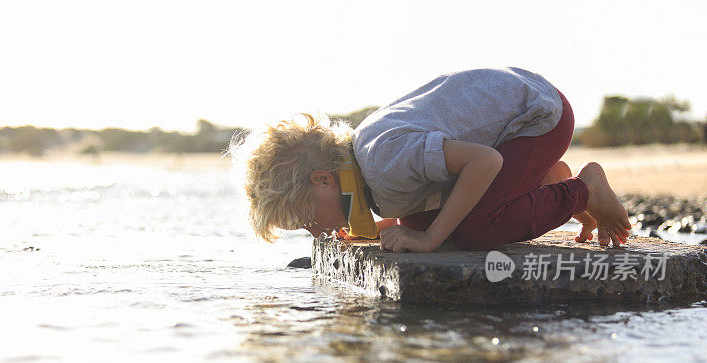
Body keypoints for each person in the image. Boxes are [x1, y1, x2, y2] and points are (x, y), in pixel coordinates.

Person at [232, 67, 631, 252]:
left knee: (472, 232)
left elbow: (485, 163)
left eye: (305, 221)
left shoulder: (383, 160)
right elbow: (418, 199)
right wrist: (394, 228)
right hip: (512, 126)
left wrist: (430, 238)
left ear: (323, 181)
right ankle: (544, 181)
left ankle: (585, 189)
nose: (315, 233)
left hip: (537, 116)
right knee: (414, 221)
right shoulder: (366, 174)